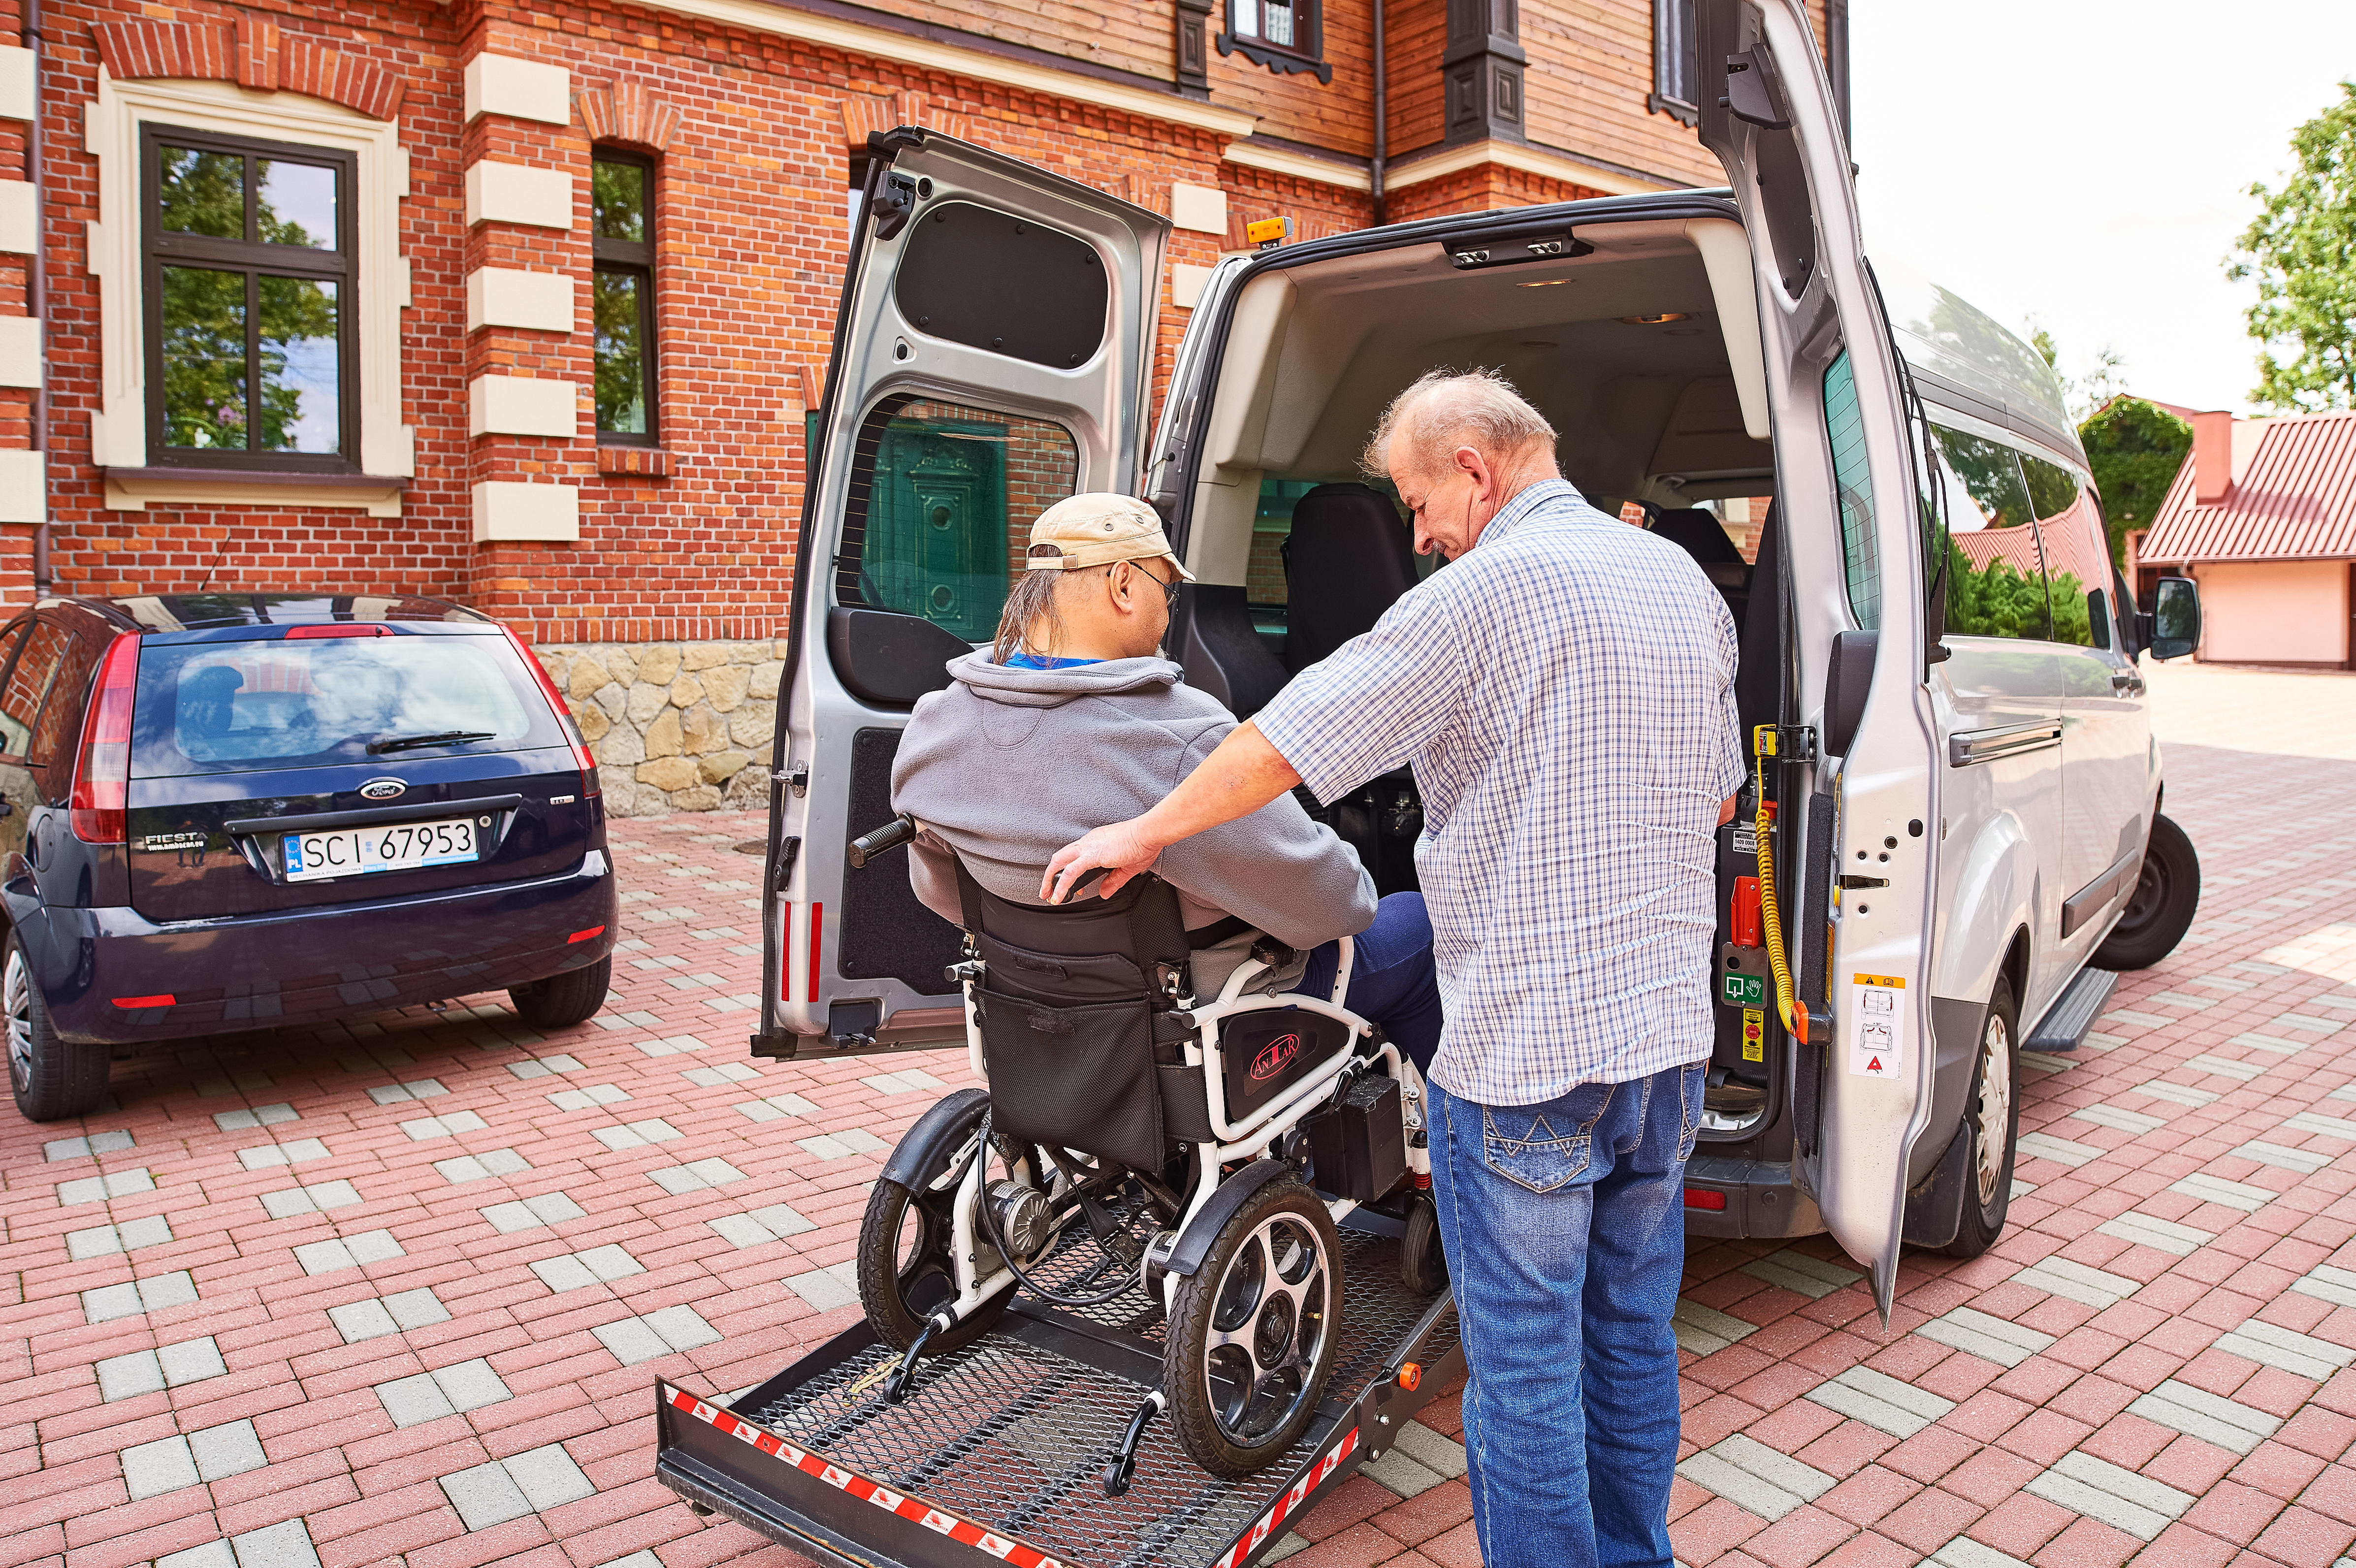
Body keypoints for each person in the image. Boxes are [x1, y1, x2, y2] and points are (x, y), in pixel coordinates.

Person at [1041, 371, 1743, 1568]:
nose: (1415, 533)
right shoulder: (1681, 580)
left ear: (1475, 468)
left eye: (1418, 501)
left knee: (1523, 1366)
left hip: (1527, 1049)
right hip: (1665, 1049)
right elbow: (1718, 792)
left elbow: (1289, 738)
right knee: (1629, 1338)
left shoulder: (1481, 594)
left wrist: (1146, 831)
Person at [890, 491, 1444, 1075]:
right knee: (1416, 922)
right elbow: (1336, 908)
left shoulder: (936, 722)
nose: (1170, 608)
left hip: (1031, 995)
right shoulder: (1182, 736)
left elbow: (940, 891)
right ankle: (1455, 1130)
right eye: (1168, 590)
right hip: (1204, 1009)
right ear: (1124, 585)